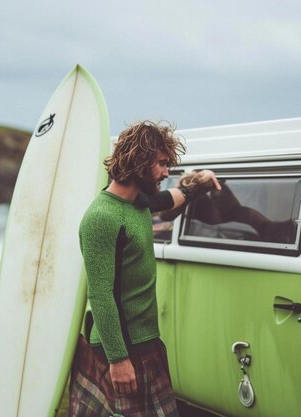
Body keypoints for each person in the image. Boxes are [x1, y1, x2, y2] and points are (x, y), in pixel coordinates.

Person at [68, 121, 221, 417]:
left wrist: (199, 182)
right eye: (162, 163)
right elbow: (100, 295)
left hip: (146, 342)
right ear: (140, 161)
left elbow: (171, 198)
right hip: (123, 349)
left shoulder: (137, 203)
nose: (166, 172)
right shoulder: (102, 217)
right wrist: (118, 360)